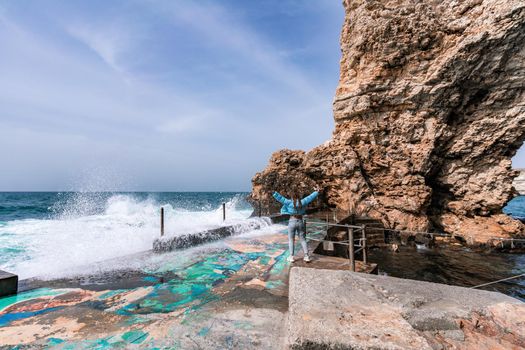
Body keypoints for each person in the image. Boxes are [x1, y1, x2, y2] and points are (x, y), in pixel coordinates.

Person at [273, 187, 319, 263]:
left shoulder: (288, 202)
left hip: (292, 221)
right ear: (299, 196)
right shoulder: (303, 202)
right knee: (303, 239)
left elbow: (280, 198)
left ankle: (291, 257)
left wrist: (274, 193)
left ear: (291, 196)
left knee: (291, 240)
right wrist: (316, 192)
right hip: (300, 221)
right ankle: (307, 256)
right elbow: (310, 197)